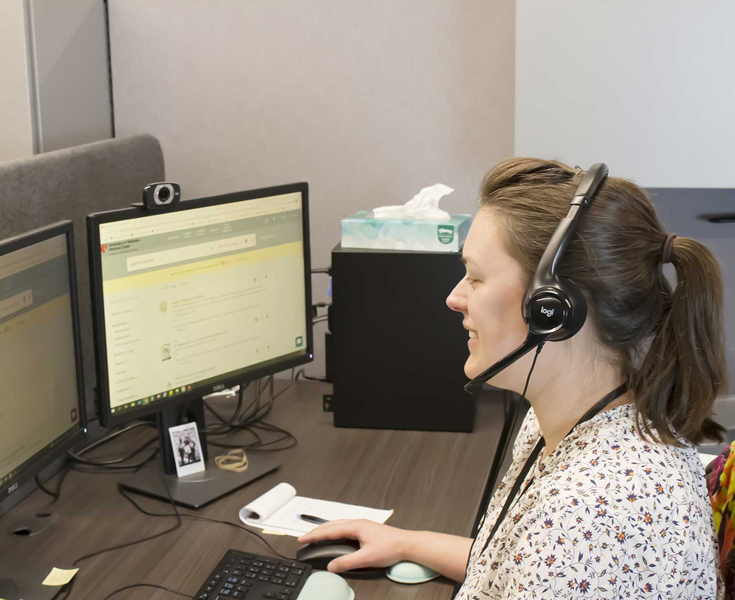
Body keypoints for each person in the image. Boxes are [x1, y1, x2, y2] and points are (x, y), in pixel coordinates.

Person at [298, 158, 726, 598]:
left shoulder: (593, 514)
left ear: (552, 310)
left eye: (476, 278)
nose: (454, 297)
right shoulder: (571, 421)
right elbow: (522, 563)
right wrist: (409, 543)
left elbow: (561, 554)